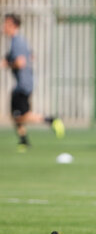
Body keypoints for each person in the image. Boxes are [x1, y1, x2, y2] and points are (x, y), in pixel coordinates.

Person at [2, 14, 64, 151]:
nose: (3, 27)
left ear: (13, 25)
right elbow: (31, 56)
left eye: (5, 24)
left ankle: (51, 120)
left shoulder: (17, 41)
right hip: (23, 83)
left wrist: (6, 64)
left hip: (23, 84)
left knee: (22, 115)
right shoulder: (19, 41)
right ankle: (24, 142)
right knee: (15, 115)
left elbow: (21, 62)